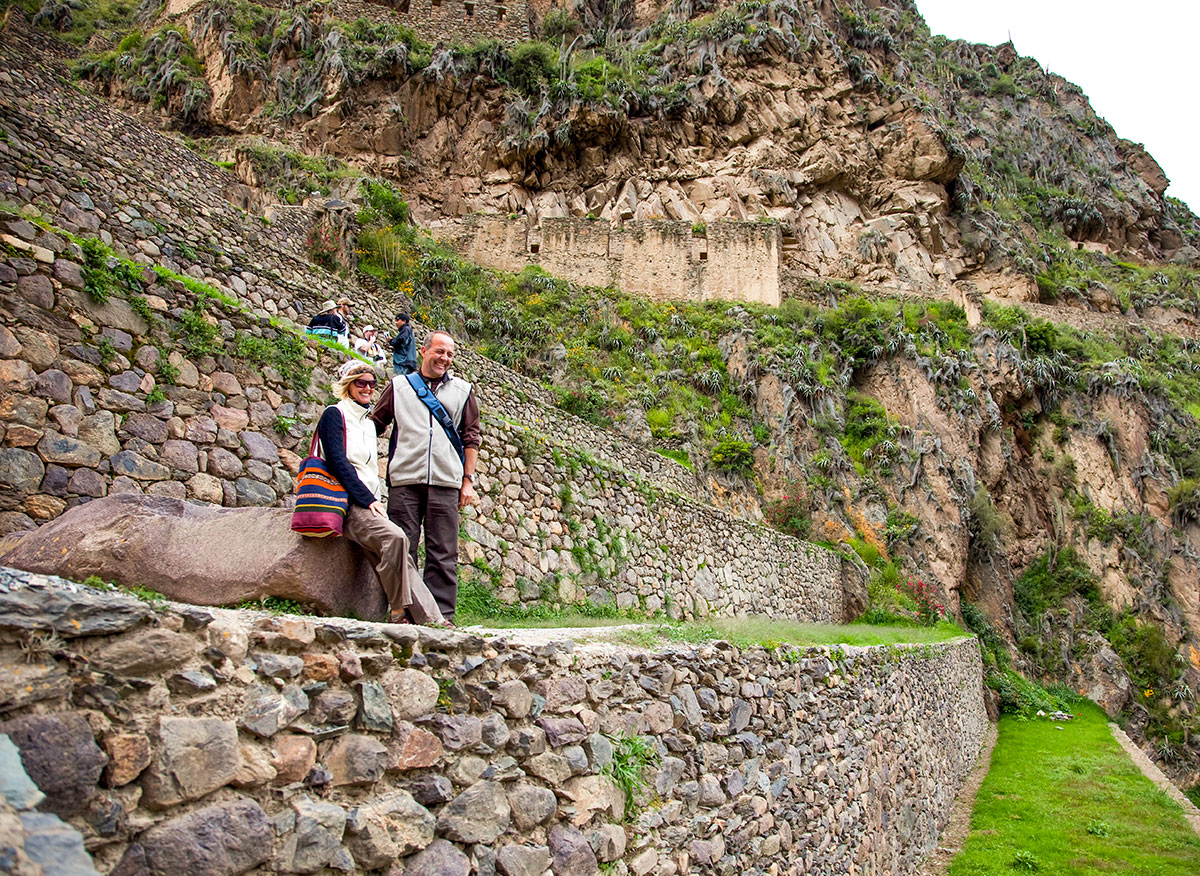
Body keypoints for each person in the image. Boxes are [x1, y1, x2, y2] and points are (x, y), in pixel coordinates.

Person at [315, 361, 443, 625]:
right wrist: (368, 499)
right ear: (347, 384)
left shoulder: (366, 422)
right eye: (360, 383)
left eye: (372, 384)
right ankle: (398, 612)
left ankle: (432, 620)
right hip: (346, 500)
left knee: (401, 553)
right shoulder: (335, 414)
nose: (367, 388)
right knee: (396, 538)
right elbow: (339, 462)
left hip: (368, 500)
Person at [370, 330, 480, 624]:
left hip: (446, 482)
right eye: (439, 352)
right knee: (401, 548)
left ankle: (441, 615)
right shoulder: (400, 386)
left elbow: (471, 438)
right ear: (423, 350)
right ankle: (402, 612)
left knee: (443, 553)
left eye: (450, 354)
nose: (444, 358)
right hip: (405, 479)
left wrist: (467, 480)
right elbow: (374, 425)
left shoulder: (462, 390)